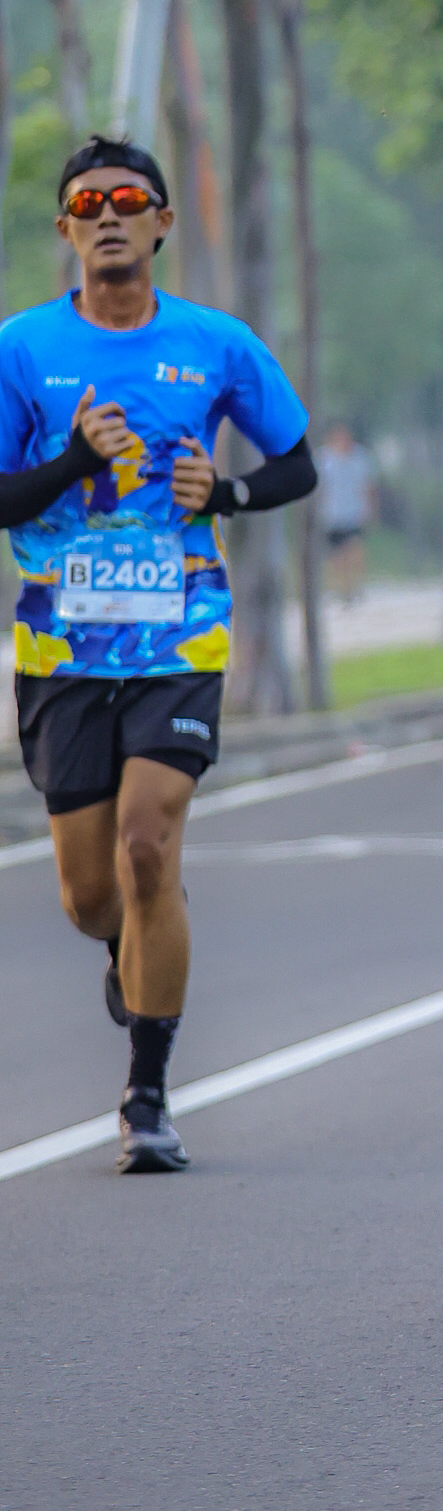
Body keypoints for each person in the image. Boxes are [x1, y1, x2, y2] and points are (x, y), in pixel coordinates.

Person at [0, 136, 316, 1171]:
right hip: (61, 652)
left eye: (128, 199)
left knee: (149, 846)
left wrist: (224, 492)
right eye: (87, 202)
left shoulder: (215, 344)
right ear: (65, 228)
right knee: (92, 895)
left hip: (180, 635)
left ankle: (147, 1097)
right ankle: (120, 948)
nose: (108, 215)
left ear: (162, 222)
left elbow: (297, 465)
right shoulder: (21, 349)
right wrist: (72, 460)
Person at [317, 421, 376, 604]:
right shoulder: (323, 459)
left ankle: (355, 585)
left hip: (354, 514)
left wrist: (370, 509)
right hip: (331, 515)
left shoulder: (361, 458)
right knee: (336, 557)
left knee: (354, 551)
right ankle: (343, 589)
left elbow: (368, 486)